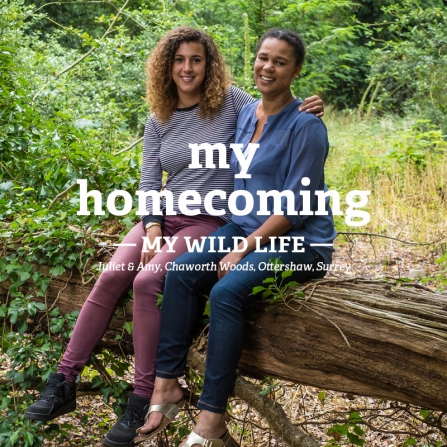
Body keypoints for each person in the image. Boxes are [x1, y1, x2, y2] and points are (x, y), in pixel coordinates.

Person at [24, 27, 324, 447]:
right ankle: (63, 380)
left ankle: (144, 394)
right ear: (166, 66)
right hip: (164, 217)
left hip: (212, 221)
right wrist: (151, 227)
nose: (187, 68)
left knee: (148, 281)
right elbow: (150, 181)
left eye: (196, 60)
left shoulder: (231, 103)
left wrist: (310, 106)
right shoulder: (158, 117)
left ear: (210, 64)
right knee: (113, 275)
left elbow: (274, 108)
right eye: (179, 60)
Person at [136, 29, 336, 447]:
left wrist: (243, 249)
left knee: (226, 291)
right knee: (181, 272)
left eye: (280, 62)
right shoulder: (247, 114)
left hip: (299, 243)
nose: (268, 67)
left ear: (296, 70)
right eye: (264, 58)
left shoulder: (307, 127)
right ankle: (165, 383)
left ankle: (211, 419)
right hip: (244, 227)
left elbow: (295, 210)